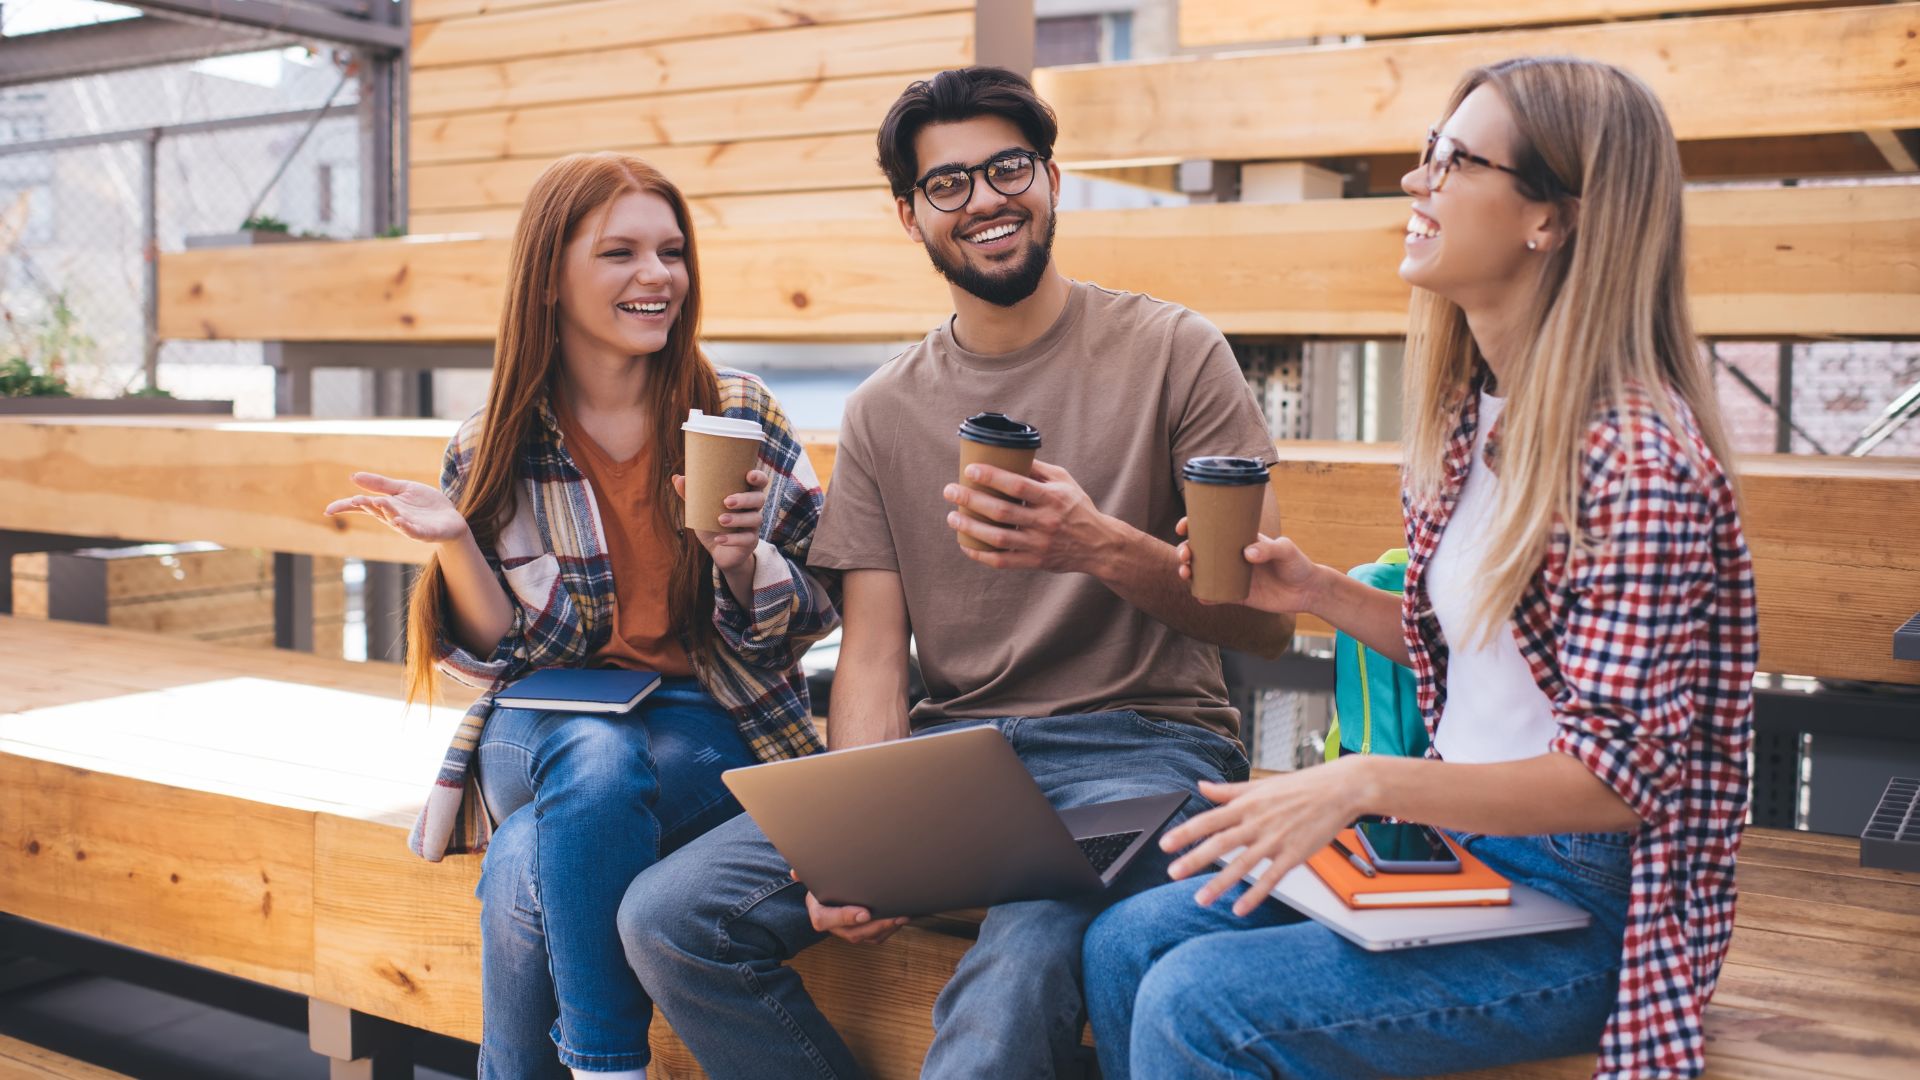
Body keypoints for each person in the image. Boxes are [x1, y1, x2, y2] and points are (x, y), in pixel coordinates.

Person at [1082, 57, 1757, 1080]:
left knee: (1199, 1005)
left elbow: (1618, 780)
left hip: (1593, 906)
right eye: (1426, 154)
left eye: (1456, 159)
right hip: (1460, 841)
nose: (1416, 182)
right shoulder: (1468, 417)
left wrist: (1359, 782)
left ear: (1552, 219)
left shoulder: (1637, 461)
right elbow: (1495, 661)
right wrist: (1315, 592)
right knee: (1126, 941)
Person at [617, 66, 1296, 1078]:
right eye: (948, 185)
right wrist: (860, 836)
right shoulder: (887, 409)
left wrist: (1094, 544)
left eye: (1007, 168)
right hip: (963, 768)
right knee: (668, 918)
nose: (984, 199)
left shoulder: (1174, 351)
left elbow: (1264, 624)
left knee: (1018, 965)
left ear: (1052, 179)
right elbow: (876, 659)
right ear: (911, 215)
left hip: (1144, 756)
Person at [324, 152, 836, 1080]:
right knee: (589, 759)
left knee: (527, 860)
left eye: (671, 251)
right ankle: (605, 1062)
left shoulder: (738, 412)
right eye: (621, 253)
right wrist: (456, 545)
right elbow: (506, 657)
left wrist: (741, 560)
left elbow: (812, 612)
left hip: (706, 726)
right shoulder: (496, 441)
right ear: (551, 278)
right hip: (541, 725)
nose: (657, 277)